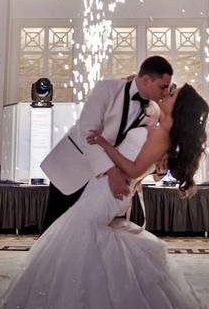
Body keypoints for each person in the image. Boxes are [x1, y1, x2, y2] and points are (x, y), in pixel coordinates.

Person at [0, 83, 209, 309]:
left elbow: (132, 169)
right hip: (104, 188)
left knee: (85, 241)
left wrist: (105, 147)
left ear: (179, 107)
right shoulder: (155, 124)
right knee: (88, 246)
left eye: (172, 93)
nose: (166, 92)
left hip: (108, 190)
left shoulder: (160, 134)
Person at [39, 55, 173, 231]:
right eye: (162, 86)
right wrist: (111, 171)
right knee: (53, 229)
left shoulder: (153, 112)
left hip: (103, 184)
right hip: (73, 166)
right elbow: (86, 133)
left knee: (87, 233)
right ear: (147, 79)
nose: (165, 92)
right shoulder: (107, 88)